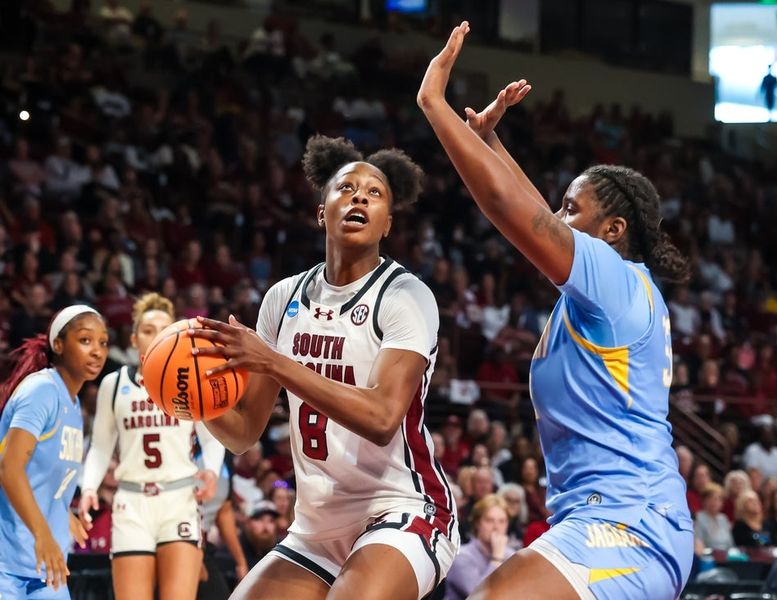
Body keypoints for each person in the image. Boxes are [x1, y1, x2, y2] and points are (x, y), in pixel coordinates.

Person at [418, 22, 694, 599]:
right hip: (603, 520)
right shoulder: (608, 287)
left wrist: (434, 105)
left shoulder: (613, 280)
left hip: (631, 524)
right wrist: (490, 141)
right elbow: (535, 212)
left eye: (573, 209)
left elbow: (513, 211)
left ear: (613, 229)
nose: (558, 219)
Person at [191, 135, 458, 600]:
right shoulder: (283, 297)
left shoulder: (405, 295)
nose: (360, 196)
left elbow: (381, 419)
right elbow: (243, 434)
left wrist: (274, 362)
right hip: (316, 528)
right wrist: (190, 395)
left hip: (402, 508)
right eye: (347, 188)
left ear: (387, 224)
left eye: (374, 193)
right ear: (322, 213)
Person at [79, 293, 225, 600]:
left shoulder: (190, 379)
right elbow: (101, 447)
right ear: (134, 339)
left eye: (163, 328)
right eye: (147, 330)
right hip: (131, 502)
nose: (156, 335)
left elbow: (212, 436)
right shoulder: (114, 384)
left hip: (179, 499)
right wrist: (89, 486)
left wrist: (211, 471)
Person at [0, 305, 108, 598]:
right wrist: (43, 533)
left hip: (46, 565)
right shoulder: (41, 391)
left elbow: (44, 476)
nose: (97, 351)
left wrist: (60, 512)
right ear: (58, 344)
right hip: (8, 563)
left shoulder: (73, 406)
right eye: (85, 340)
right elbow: (9, 469)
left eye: (103, 342)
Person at [445, 495, 516, 600]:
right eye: (490, 520)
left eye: (502, 521)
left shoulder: (512, 556)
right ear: (477, 523)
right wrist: (496, 559)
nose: (496, 527)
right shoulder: (461, 556)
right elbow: (479, 596)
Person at [694, 483, 734, 552]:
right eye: (710, 498)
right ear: (703, 501)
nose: (714, 502)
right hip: (708, 558)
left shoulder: (723, 518)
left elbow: (730, 543)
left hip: (727, 557)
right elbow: (698, 543)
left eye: (718, 499)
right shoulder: (698, 517)